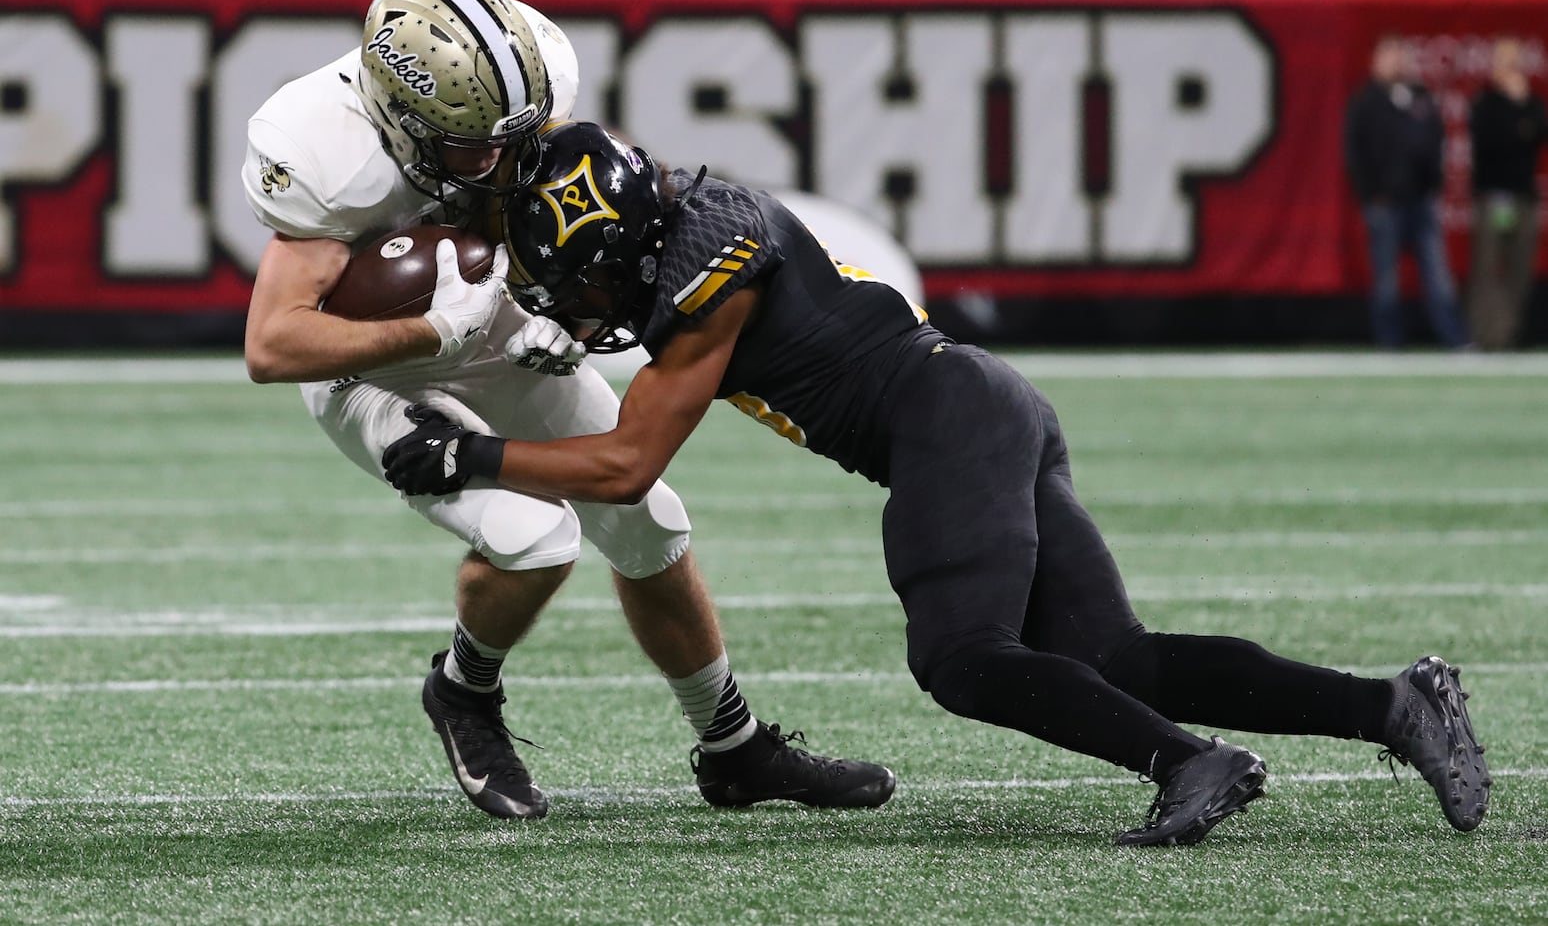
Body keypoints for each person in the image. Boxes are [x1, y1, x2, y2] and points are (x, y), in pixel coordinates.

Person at [381, 121, 1492, 846]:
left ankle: (1188, 760)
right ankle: (1394, 705)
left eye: (580, 283)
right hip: (973, 403)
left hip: (942, 422)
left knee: (960, 655)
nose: (576, 305)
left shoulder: (710, 281)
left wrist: (471, 455)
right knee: (1116, 658)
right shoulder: (683, 216)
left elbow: (626, 464)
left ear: (626, 247)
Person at [240, 0, 895, 822]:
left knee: (650, 521)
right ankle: (464, 692)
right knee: (535, 538)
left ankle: (733, 749)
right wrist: (434, 332)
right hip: (370, 367)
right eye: (480, 145)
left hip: (488, 321)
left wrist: (554, 297)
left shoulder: (527, 73)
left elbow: (568, 164)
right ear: (403, 118)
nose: (504, 160)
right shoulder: (325, 153)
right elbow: (273, 343)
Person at [1344, 36, 1470, 349]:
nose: (1395, 61)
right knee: (1387, 281)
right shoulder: (1365, 102)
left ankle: (1455, 339)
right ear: (1375, 61)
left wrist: (1433, 183)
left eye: (1398, 55)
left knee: (1438, 277)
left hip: (1421, 201)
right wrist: (1372, 193)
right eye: (1388, 55)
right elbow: (1355, 154)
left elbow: (1435, 138)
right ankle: (1390, 345)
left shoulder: (1419, 96)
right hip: (1385, 204)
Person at [1468, 36, 1547, 350]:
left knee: (1519, 270)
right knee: (1487, 269)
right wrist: (1519, 122)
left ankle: (1505, 335)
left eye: (1516, 61)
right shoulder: (1485, 102)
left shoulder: (1532, 102)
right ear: (1496, 66)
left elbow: (1539, 133)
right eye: (1506, 61)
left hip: (1523, 198)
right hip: (1493, 198)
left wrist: (1521, 107)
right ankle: (1483, 335)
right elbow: (1491, 142)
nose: (1512, 68)